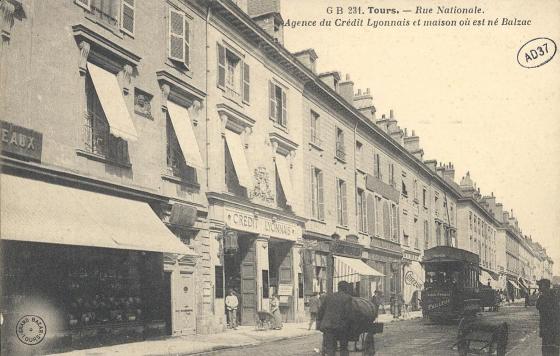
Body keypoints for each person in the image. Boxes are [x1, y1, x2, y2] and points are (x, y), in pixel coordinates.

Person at [317, 281, 353, 356]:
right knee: (343, 348)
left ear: (338, 287)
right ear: (346, 288)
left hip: (328, 326)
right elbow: (348, 314)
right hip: (341, 327)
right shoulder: (347, 298)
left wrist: (320, 323)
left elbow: (320, 312)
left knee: (330, 348)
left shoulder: (329, 296)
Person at [536, 279, 560, 356]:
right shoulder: (554, 296)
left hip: (548, 328)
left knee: (547, 350)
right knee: (554, 350)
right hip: (554, 329)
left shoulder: (545, 297)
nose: (539, 287)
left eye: (540, 286)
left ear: (545, 286)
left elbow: (539, 306)